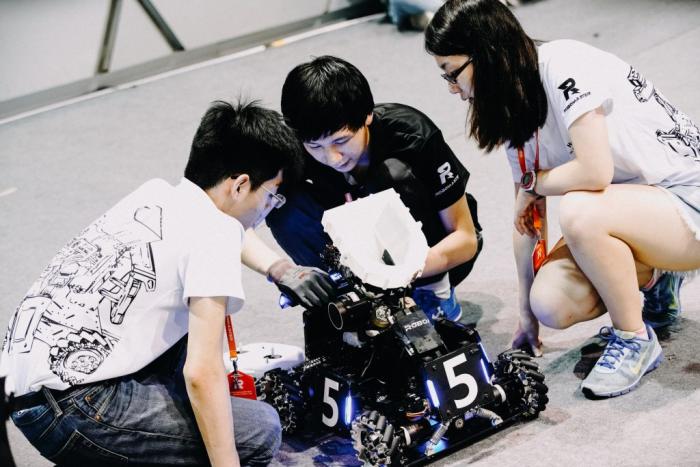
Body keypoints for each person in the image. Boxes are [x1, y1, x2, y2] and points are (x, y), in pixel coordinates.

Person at [0, 100, 308, 465]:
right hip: (73, 412)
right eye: (271, 194)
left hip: (22, 387)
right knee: (258, 430)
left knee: (178, 328)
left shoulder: (157, 195)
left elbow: (227, 230)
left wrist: (278, 267)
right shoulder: (217, 233)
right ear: (241, 185)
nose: (268, 208)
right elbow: (202, 372)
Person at [424, 0, 700, 398]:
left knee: (578, 208)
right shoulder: (509, 107)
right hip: (638, 211)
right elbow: (527, 222)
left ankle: (635, 338)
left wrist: (535, 183)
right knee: (550, 303)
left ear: (486, 54)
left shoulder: (562, 63)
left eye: (453, 73)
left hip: (686, 200)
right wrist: (525, 315)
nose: (453, 88)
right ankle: (658, 279)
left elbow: (594, 172)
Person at [267, 55, 483, 323]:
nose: (333, 158)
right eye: (315, 147)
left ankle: (433, 294)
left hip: (426, 260)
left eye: (342, 141)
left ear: (367, 115)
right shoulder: (294, 147)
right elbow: (227, 212)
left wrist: (400, 273)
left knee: (393, 175)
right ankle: (352, 301)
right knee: (281, 206)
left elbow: (466, 239)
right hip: (353, 257)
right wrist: (277, 269)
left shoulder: (411, 135)